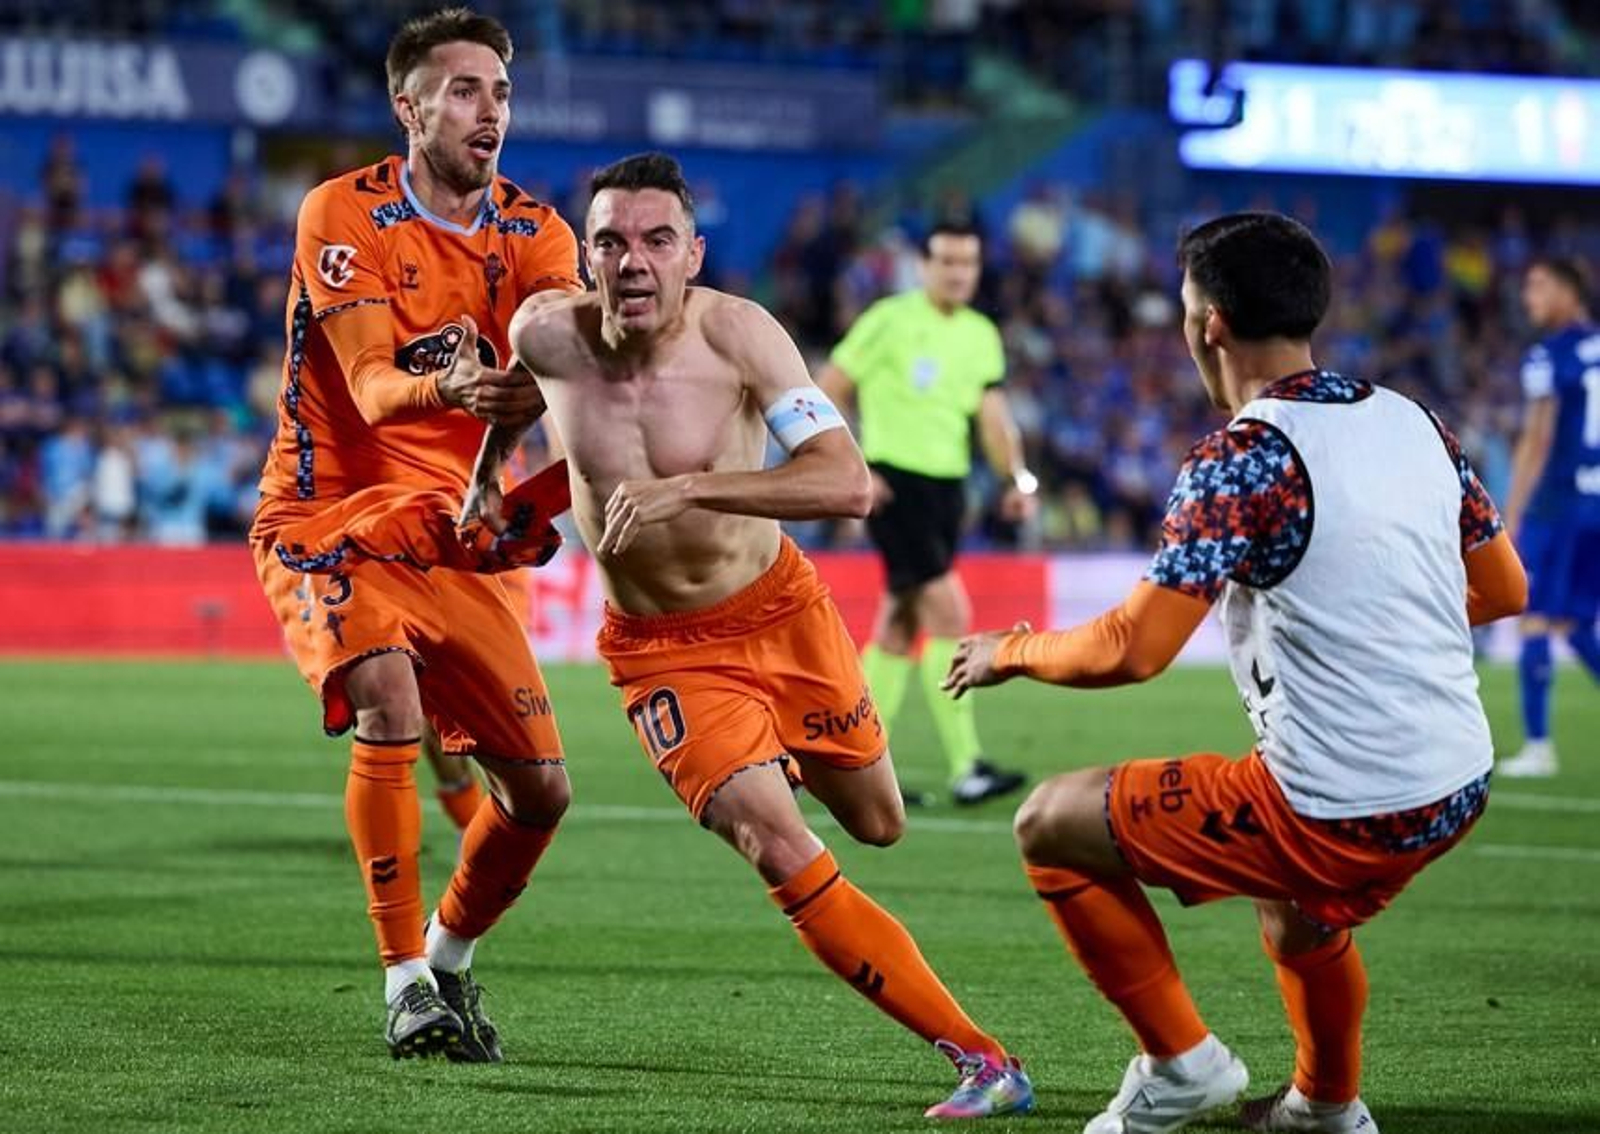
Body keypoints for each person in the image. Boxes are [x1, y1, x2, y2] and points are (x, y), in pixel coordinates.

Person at [470, 152, 1033, 1119]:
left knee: (880, 822)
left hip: (780, 613)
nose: (632, 261)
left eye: (657, 241)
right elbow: (523, 394)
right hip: (663, 651)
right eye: (610, 242)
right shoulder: (544, 331)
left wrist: (689, 488)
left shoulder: (742, 335)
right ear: (587, 256)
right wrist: (488, 475)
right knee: (776, 844)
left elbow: (846, 482)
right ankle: (985, 1060)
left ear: (693, 254)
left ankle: (780, 754)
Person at [943, 213, 1526, 1134]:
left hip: (1338, 806)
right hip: (1458, 782)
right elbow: (1504, 587)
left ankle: (1181, 1065)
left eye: (1185, 309)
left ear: (1209, 322)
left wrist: (1007, 650)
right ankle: (1325, 1108)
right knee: (1295, 908)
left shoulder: (1242, 458)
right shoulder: (1417, 421)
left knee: (1050, 822)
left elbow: (1134, 648)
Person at [247, 8, 582, 1061]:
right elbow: (372, 385)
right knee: (387, 698)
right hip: (328, 514)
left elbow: (564, 369)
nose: (491, 111)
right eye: (464, 90)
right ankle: (401, 984)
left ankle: (446, 956)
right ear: (409, 106)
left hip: (452, 531)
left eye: (502, 92)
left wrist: (543, 405)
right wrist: (457, 387)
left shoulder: (538, 235)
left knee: (541, 792)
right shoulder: (341, 211)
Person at [817, 223, 1036, 806]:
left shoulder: (981, 334)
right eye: (946, 261)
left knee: (898, 625)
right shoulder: (888, 320)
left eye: (968, 263)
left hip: (947, 490)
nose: (958, 273)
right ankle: (967, 766)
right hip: (895, 485)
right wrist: (856, 463)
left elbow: (993, 416)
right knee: (948, 611)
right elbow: (826, 387)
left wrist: (1014, 477)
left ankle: (855, 764)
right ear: (923, 265)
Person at [1496, 256, 1600, 778]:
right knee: (1576, 624)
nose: (1528, 297)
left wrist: (1512, 513)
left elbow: (1538, 438)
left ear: (1569, 290)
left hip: (1557, 505)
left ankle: (1538, 748)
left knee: (1535, 618)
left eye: (1538, 286)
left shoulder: (1546, 356)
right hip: (1597, 505)